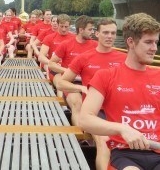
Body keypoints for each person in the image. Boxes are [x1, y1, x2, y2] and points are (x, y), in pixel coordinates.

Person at [80, 13, 160, 170]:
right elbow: (85, 119)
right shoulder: (106, 76)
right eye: (148, 42)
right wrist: (122, 128)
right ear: (130, 42)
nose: (154, 48)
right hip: (125, 154)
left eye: (156, 42)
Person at [54, 18, 126, 170]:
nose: (110, 36)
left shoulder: (124, 59)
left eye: (113, 33)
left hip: (119, 111)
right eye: (105, 32)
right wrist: (82, 89)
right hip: (95, 112)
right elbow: (61, 82)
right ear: (97, 34)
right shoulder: (84, 57)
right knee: (105, 142)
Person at [48, 15, 97, 126]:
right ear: (81, 30)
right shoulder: (66, 44)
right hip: (71, 82)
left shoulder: (96, 45)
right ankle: (81, 137)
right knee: (77, 104)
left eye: (93, 29)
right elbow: (51, 63)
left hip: (90, 82)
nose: (92, 32)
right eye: (90, 29)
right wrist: (68, 70)